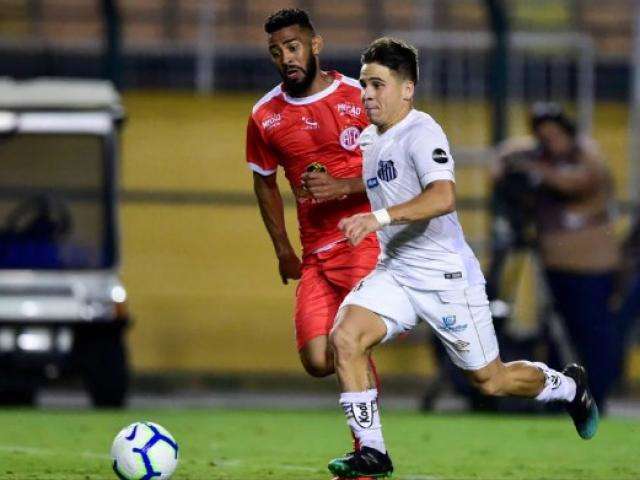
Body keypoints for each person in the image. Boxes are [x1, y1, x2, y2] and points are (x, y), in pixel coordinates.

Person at [326, 38, 599, 479]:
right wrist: (343, 190)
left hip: (446, 277)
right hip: (395, 271)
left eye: (378, 85)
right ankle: (372, 452)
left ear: (407, 89)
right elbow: (390, 181)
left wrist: (377, 218)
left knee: (491, 380)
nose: (367, 94)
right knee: (346, 338)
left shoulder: (423, 131)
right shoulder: (370, 139)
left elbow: (442, 196)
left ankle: (568, 386)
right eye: (364, 85)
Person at [246, 9, 379, 478]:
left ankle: (368, 455)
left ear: (315, 45)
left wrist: (344, 187)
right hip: (314, 252)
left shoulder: (358, 98)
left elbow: (397, 169)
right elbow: (264, 183)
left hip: (364, 239)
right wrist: (283, 249)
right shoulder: (265, 116)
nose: (286, 58)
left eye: (294, 46)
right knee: (318, 359)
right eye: (277, 51)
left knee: (349, 341)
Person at [492, 103, 620, 410]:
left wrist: (535, 169)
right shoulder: (541, 157)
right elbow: (503, 160)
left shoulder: (586, 155)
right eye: (542, 135)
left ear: (569, 133)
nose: (549, 141)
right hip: (554, 265)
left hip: (592, 268)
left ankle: (597, 398)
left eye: (555, 134)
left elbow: (577, 182)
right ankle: (561, 398)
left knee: (592, 333)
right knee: (553, 332)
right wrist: (508, 159)